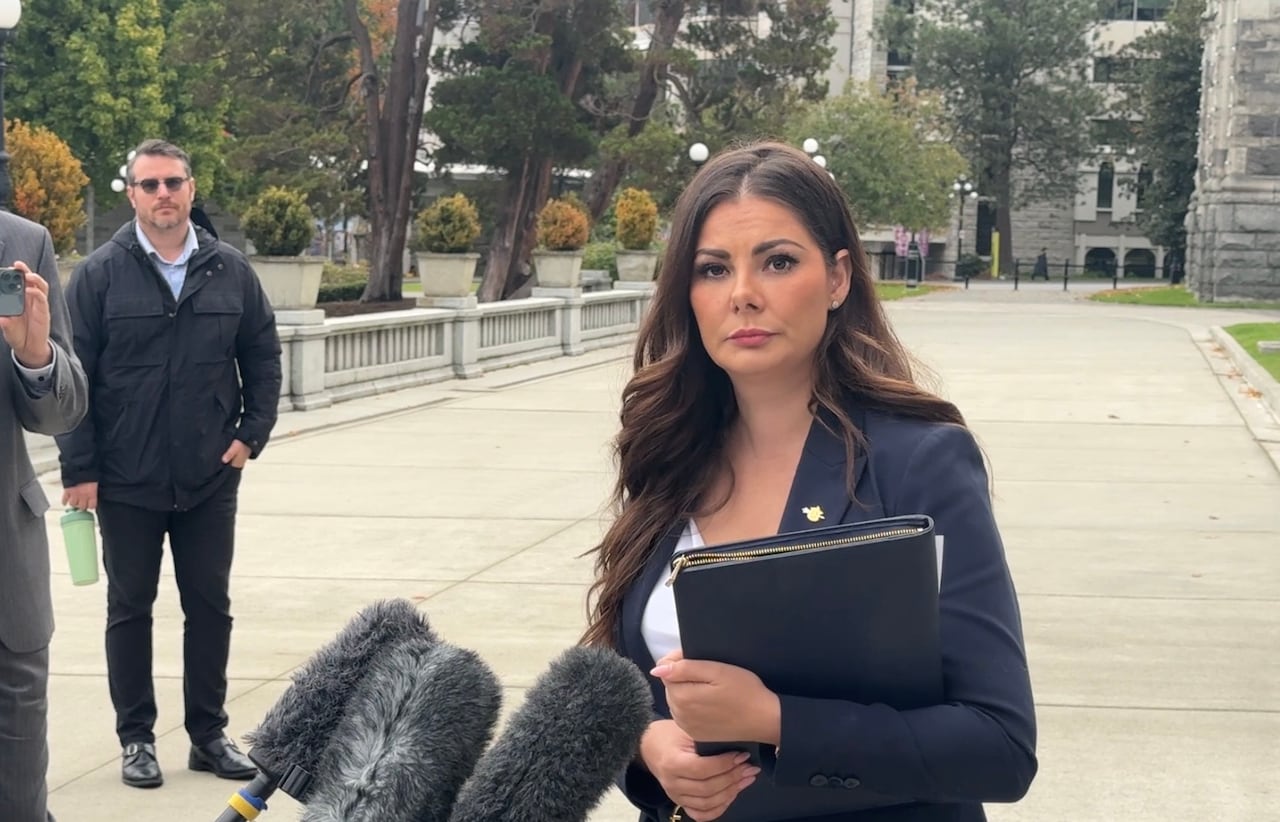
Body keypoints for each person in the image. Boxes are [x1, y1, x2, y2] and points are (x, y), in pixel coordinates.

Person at [583, 142, 1036, 822]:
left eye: (778, 261)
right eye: (713, 269)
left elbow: (999, 745)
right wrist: (647, 747)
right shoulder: (668, 456)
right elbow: (625, 685)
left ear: (837, 278)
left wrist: (777, 720)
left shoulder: (919, 462)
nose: (743, 294)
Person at [55, 139, 283, 789]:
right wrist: (80, 469)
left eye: (173, 182)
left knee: (210, 605)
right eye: (149, 184)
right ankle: (136, 740)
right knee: (130, 607)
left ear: (190, 188)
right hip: (126, 478)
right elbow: (75, 378)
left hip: (210, 475)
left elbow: (262, 355)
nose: (163, 194)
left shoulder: (229, 269)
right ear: (131, 193)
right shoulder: (100, 274)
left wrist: (251, 434)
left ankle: (208, 736)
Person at [0, 212, 89, 822]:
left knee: (19, 796)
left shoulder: (21, 242)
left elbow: (65, 411)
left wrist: (35, 356)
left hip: (6, 573)